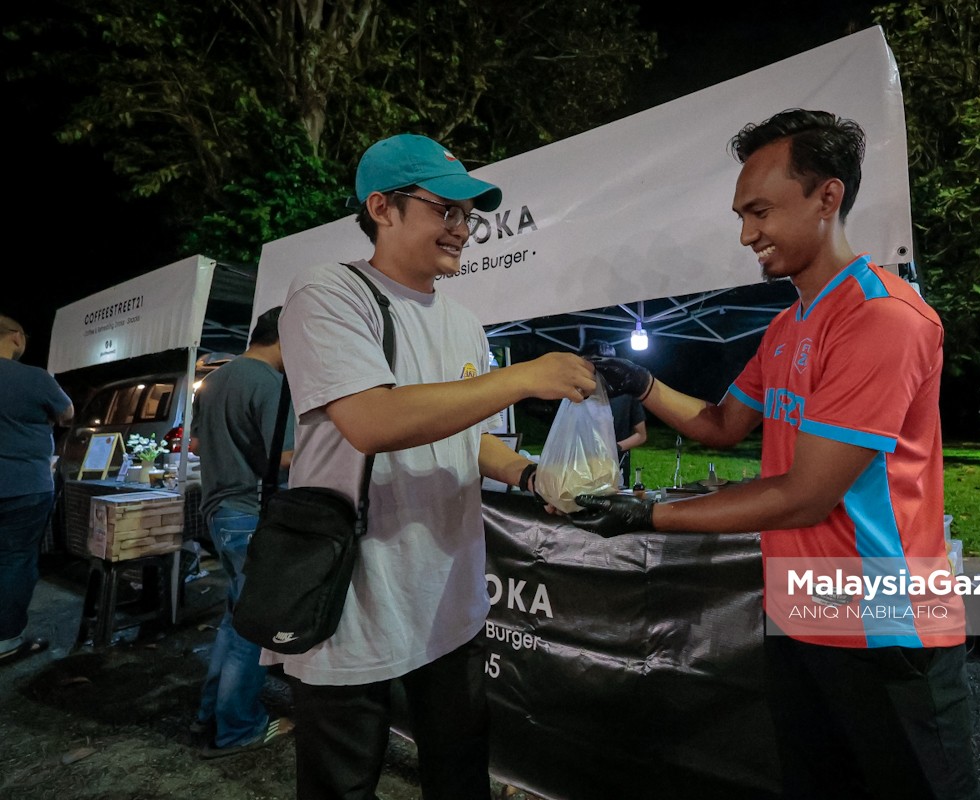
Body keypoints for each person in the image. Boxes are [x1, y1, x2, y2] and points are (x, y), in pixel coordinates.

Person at [572, 109, 980, 799]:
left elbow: (804, 494)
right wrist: (642, 383)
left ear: (828, 197)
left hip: (887, 631)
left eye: (759, 211)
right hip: (800, 618)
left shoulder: (881, 318)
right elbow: (724, 424)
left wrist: (648, 515)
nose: (746, 234)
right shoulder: (789, 324)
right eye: (740, 214)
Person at [271, 133, 596, 800]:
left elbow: (463, 434)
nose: (461, 229)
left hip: (449, 598)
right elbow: (372, 420)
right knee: (341, 785)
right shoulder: (330, 293)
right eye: (444, 210)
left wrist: (531, 475)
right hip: (352, 597)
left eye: (466, 215)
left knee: (459, 776)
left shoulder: (464, 324)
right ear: (382, 208)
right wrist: (523, 379)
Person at [189, 306, 295, 757]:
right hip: (249, 511)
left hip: (217, 508)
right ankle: (237, 728)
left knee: (235, 621)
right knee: (253, 627)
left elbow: (194, 443)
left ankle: (210, 715)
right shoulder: (269, 383)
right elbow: (285, 458)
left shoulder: (214, 379)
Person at [0, 314, 73, 665]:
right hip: (24, 485)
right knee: (15, 561)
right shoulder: (34, 377)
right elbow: (68, 413)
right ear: (15, 336)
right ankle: (6, 640)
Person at [579, 339, 647, 487]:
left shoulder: (626, 395)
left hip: (617, 466)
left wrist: (615, 447)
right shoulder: (578, 396)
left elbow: (641, 435)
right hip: (581, 467)